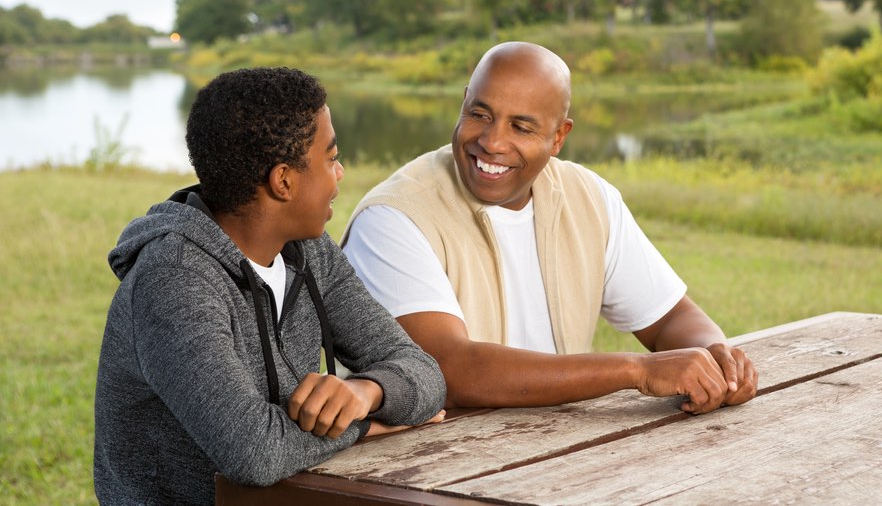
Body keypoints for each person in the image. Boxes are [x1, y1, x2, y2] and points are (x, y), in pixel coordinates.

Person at [341, 41, 757, 413]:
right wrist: (637, 370)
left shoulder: (588, 197)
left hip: (550, 461)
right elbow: (449, 370)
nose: (492, 141)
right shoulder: (394, 216)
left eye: (520, 127)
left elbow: (669, 319)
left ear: (559, 137)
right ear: (463, 103)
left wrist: (716, 360)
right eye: (479, 114)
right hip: (418, 476)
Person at [93, 67, 446, 505]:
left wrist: (366, 392)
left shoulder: (309, 252)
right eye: (331, 158)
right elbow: (254, 452)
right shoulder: (173, 281)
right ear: (284, 181)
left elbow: (422, 370)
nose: (341, 173)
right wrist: (372, 427)